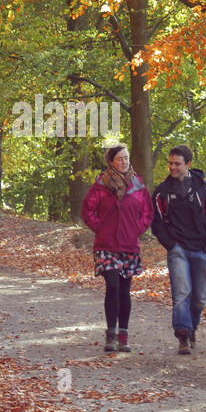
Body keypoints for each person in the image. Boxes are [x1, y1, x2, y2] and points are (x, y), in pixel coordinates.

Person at [81, 144, 153, 353]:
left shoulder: (137, 184)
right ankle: (110, 334)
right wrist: (100, 228)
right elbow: (88, 210)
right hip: (106, 245)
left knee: (124, 290)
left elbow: (147, 213)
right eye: (120, 158)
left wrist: (135, 230)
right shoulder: (101, 184)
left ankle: (124, 335)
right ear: (111, 161)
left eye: (126, 158)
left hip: (129, 246)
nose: (124, 162)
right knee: (112, 285)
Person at [151, 145, 206, 355]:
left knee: (199, 296)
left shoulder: (204, 189)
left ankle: (192, 326)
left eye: (177, 164)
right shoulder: (161, 192)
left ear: (188, 165)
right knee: (181, 292)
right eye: (170, 163)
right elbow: (156, 223)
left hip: (201, 248)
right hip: (177, 249)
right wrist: (170, 245)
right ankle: (182, 334)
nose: (172, 167)